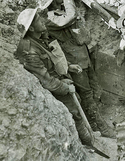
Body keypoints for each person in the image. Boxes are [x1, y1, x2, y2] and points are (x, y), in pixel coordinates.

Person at [38, 0, 115, 138]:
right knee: (86, 94)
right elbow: (71, 16)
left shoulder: (64, 8)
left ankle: (96, 121)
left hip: (83, 56)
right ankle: (101, 127)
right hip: (74, 61)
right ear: (53, 1)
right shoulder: (51, 18)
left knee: (93, 88)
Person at [15, 8, 93, 145]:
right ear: (32, 28)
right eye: (39, 20)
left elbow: (51, 58)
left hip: (58, 80)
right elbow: (47, 82)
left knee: (78, 103)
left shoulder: (39, 39)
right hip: (52, 90)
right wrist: (66, 88)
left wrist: (68, 66)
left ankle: (89, 138)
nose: (43, 20)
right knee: (74, 113)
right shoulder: (30, 51)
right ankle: (88, 143)